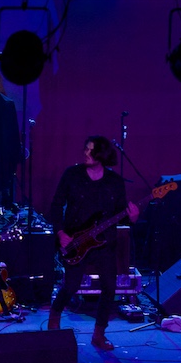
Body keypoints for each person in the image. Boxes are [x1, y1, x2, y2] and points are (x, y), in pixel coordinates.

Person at [47, 135, 139, 350]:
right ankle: (53, 323)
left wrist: (133, 217)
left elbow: (121, 214)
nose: (86, 153)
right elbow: (56, 205)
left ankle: (99, 334)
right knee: (70, 287)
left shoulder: (114, 182)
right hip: (75, 240)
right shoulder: (72, 175)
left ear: (102, 155)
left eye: (91, 150)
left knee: (109, 288)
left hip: (104, 243)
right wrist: (60, 233)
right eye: (85, 149)